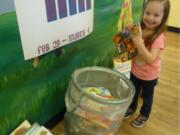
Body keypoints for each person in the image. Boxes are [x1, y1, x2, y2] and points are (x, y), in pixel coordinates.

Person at [124, 0, 170, 128]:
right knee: (133, 91)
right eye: (147, 13)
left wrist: (139, 43)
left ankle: (144, 114)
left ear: (163, 17)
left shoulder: (159, 37)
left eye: (156, 15)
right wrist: (130, 29)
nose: (150, 18)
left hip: (149, 76)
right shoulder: (140, 28)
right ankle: (131, 108)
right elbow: (131, 40)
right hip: (135, 70)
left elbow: (150, 59)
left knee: (147, 97)